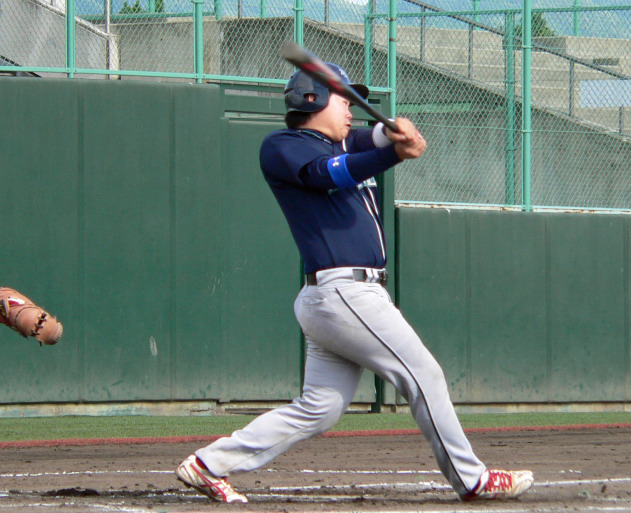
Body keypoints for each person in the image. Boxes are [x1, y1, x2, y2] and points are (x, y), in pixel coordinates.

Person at [175, 62, 534, 504]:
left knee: (320, 409)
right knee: (423, 374)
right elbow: (331, 173)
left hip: (342, 297)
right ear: (313, 100)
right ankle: (472, 478)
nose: (351, 109)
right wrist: (395, 152)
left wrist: (398, 131)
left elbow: (371, 140)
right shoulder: (283, 146)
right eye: (344, 100)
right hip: (343, 292)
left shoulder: (344, 142)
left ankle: (209, 464)